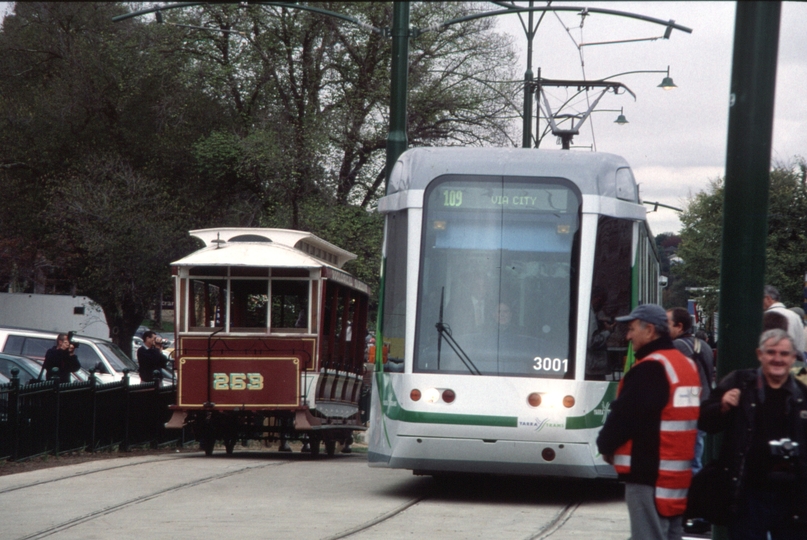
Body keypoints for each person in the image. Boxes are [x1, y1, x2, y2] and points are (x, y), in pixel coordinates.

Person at [597, 304, 701, 540]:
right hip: (676, 477)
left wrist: (605, 445)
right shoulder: (685, 366)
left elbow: (625, 416)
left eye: (632, 329)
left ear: (650, 330)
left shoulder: (651, 368)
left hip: (648, 473)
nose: (628, 335)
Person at [699, 329, 807, 540]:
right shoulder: (740, 382)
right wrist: (721, 406)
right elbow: (705, 421)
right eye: (771, 352)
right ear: (760, 354)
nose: (777, 359)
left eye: (784, 354)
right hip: (748, 493)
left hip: (794, 495)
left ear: (793, 357)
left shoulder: (803, 389)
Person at [666, 307, 714, 535]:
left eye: (668, 323)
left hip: (687, 413)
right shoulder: (702, 345)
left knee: (690, 464)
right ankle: (699, 511)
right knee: (696, 460)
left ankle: (695, 512)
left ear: (679, 327)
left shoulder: (677, 347)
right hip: (702, 409)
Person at [763, 285, 805, 356]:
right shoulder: (796, 316)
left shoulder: (766, 316)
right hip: (796, 363)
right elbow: (801, 344)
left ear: (768, 298)